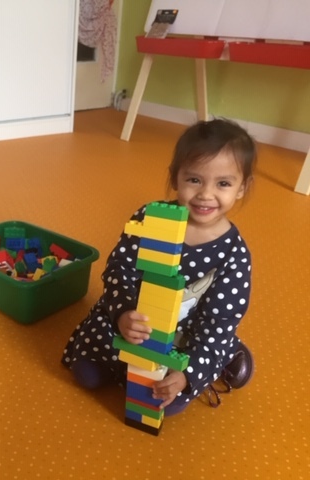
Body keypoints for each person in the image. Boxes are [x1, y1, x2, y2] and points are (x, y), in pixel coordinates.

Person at [62, 118, 256, 415]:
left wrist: (187, 375)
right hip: (135, 316)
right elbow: (118, 270)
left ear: (242, 188)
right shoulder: (149, 218)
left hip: (186, 334)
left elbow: (219, 321)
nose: (206, 194)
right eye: (194, 180)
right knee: (86, 374)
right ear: (175, 178)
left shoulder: (234, 254)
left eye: (223, 184)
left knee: (166, 401)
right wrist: (123, 313)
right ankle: (124, 357)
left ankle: (228, 354)